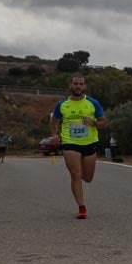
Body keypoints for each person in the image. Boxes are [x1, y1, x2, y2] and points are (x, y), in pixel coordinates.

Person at [49, 74, 108, 219]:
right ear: (71, 85)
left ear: (85, 86)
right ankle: (82, 207)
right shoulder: (62, 104)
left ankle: (78, 183)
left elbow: (104, 122)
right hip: (70, 143)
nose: (78, 86)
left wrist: (93, 123)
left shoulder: (93, 103)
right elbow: (54, 121)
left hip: (89, 143)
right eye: (75, 83)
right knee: (75, 174)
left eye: (81, 84)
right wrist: (55, 134)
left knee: (87, 178)